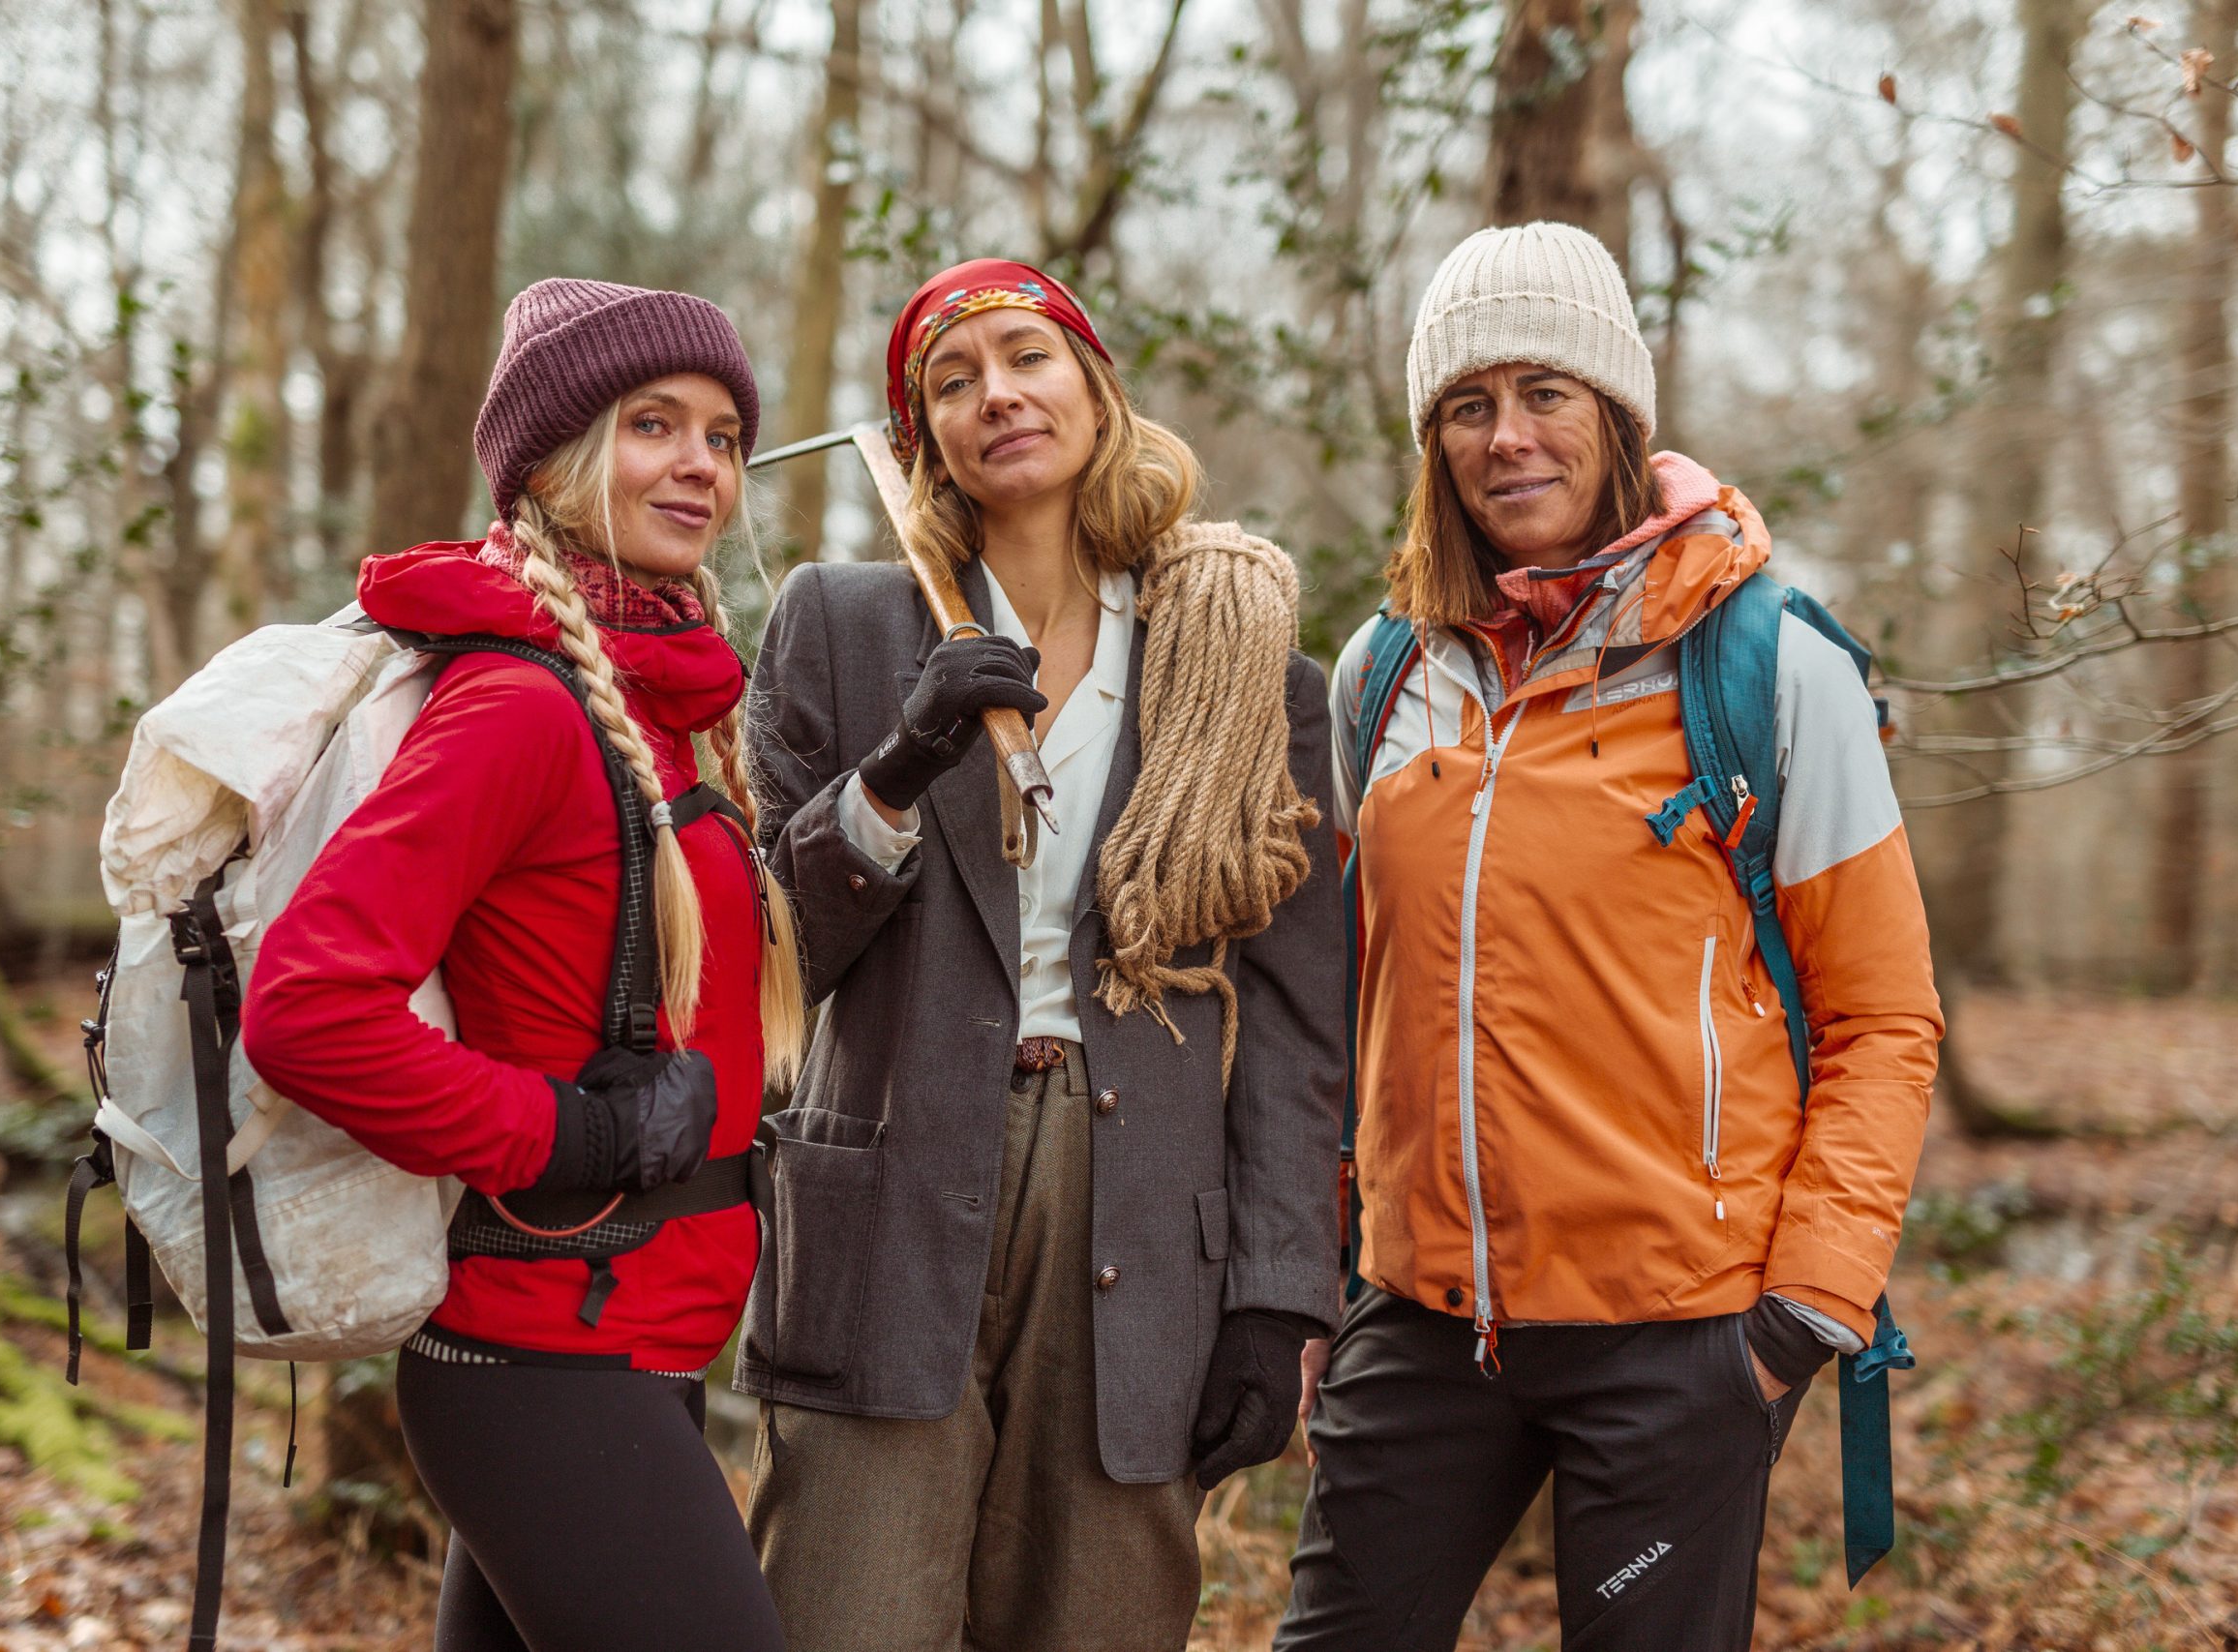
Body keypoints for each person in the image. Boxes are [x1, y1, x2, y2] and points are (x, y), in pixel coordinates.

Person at [1275, 222, 1943, 1650]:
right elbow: (1353, 998)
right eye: (1469, 405)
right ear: (1434, 440)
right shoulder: (1383, 671)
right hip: (1422, 1314)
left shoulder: (1769, 666)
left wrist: (1795, 1319)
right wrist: (1323, 1268)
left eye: (1545, 393)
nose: (1508, 437)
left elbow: (1885, 1014)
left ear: (1618, 413)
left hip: (1683, 1334)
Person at [736, 257, 1346, 1652]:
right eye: (953, 382)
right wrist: (895, 774)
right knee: (847, 1617)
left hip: (1141, 1207)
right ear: (921, 439)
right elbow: (770, 955)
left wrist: (1276, 1287)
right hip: (887, 1197)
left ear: (1095, 384)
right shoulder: (839, 625)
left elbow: (1302, 1017)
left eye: (1027, 357)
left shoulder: (1243, 663)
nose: (998, 395)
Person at [240, 277, 804, 1652]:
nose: (700, 465)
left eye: (724, 435)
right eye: (653, 425)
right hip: (552, 1353)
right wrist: (568, 1130)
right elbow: (306, 1007)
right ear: (555, 461)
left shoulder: (662, 707)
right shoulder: (520, 707)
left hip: (630, 1338)